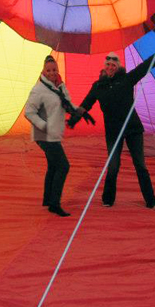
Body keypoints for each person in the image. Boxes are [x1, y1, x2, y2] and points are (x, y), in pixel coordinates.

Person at [68, 36, 155, 210]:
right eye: (108, 64)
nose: (110, 67)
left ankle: (151, 202)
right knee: (113, 166)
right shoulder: (98, 86)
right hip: (113, 132)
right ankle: (108, 200)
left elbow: (147, 65)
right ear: (104, 67)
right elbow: (85, 104)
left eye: (113, 64)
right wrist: (74, 119)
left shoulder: (127, 79)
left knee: (140, 165)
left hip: (133, 129)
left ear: (118, 67)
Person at [25, 55, 94, 217]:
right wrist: (43, 125)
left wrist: (81, 112)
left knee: (53, 165)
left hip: (54, 133)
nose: (52, 73)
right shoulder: (39, 90)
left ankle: (48, 199)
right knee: (63, 166)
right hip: (44, 135)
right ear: (43, 71)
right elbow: (29, 112)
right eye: (48, 70)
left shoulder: (60, 87)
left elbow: (68, 105)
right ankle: (54, 204)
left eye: (54, 70)